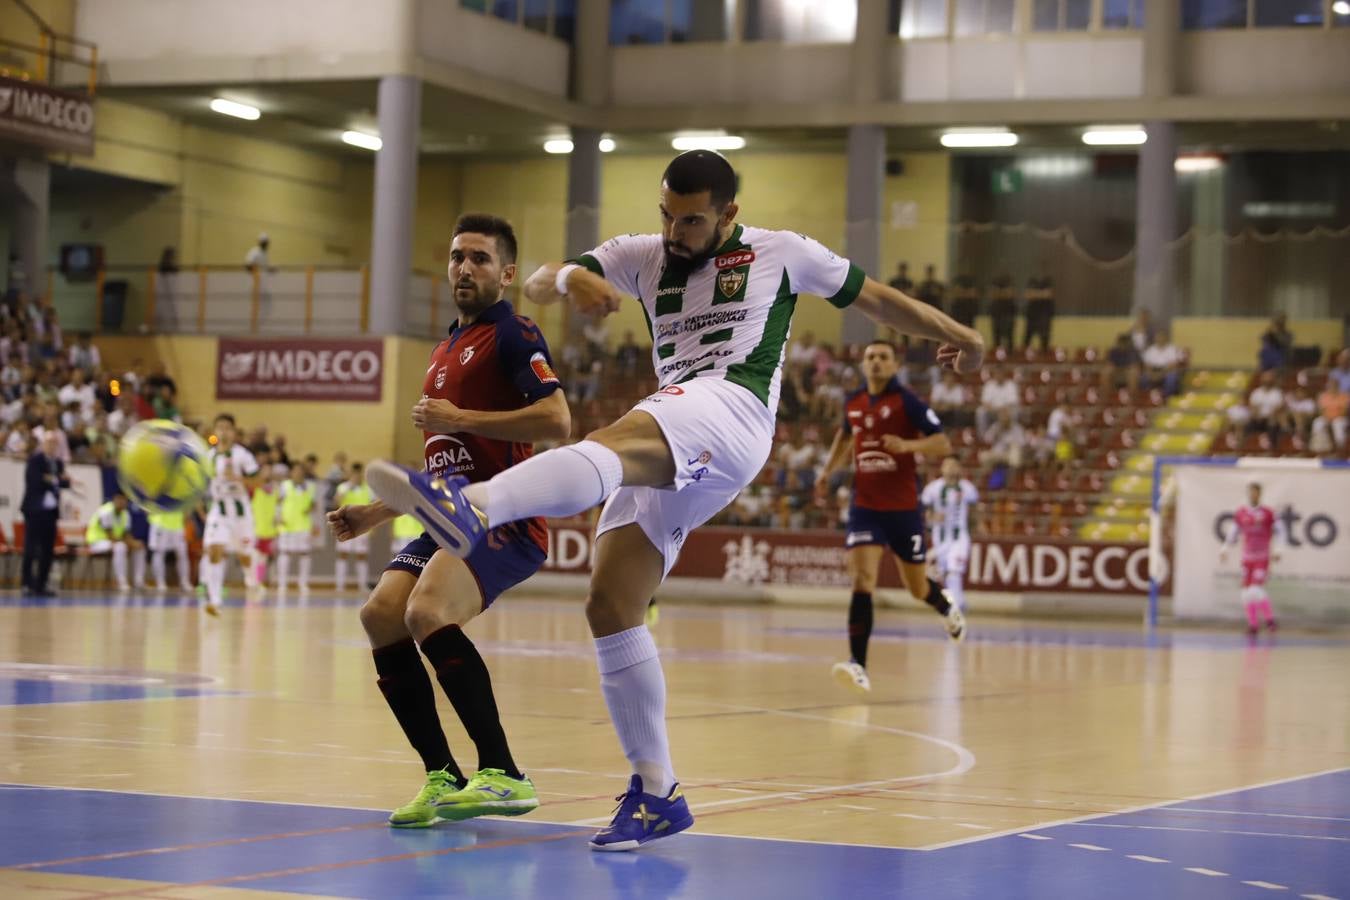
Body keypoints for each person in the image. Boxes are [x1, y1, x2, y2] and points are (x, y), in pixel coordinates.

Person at [364, 152, 984, 851]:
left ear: (727, 215)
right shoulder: (640, 254)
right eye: (666, 214)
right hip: (680, 421)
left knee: (618, 434)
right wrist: (575, 278)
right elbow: (538, 281)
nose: (674, 231)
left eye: (691, 220)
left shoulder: (781, 253)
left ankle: (475, 507)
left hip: (733, 406)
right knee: (611, 601)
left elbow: (875, 299)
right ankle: (657, 790)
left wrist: (956, 333)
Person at [330, 214, 569, 830]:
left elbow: (556, 421)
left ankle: (505, 774)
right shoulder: (442, 348)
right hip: (446, 515)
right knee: (381, 615)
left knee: (426, 612)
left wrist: (461, 416)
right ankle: (442, 776)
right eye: (458, 256)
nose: (465, 267)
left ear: (507, 272)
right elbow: (447, 466)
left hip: (501, 514)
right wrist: (376, 511)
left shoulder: (514, 333)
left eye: (481, 259)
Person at [815, 340, 965, 696]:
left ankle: (944, 605)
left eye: (883, 357)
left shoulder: (907, 402)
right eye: (870, 357)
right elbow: (844, 436)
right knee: (862, 578)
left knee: (916, 588)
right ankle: (858, 665)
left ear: (895, 364)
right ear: (863, 364)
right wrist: (827, 471)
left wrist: (909, 446)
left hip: (903, 509)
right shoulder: (852, 402)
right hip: (865, 506)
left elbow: (942, 444)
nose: (876, 362)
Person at [201, 413, 262, 615]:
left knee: (245, 556)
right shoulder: (209, 458)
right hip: (219, 511)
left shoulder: (242, 455)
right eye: (220, 427)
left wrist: (239, 479)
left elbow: (258, 481)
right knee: (214, 550)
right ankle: (215, 600)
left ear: (234, 432)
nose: (223, 432)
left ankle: (251, 581)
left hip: (241, 514)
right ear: (215, 431)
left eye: (227, 428)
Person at [1219, 482, 1281, 635]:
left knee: (1255, 589)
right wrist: (1225, 548)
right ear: (1248, 494)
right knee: (1246, 593)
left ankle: (1270, 620)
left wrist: (1279, 549)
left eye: (1256, 492)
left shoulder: (1268, 513)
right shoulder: (1241, 513)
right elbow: (1233, 532)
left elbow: (1281, 530)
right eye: (1251, 492)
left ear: (1260, 494)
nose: (1253, 495)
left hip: (1262, 557)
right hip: (1247, 558)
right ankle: (1253, 625)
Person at [921, 456, 979, 612]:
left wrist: (975, 529)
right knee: (945, 573)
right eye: (947, 465)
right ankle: (959, 602)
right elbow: (924, 513)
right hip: (939, 538)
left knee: (955, 570)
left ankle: (956, 608)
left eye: (954, 465)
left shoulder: (968, 488)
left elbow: (974, 513)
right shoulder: (932, 489)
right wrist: (933, 517)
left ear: (959, 468)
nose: (951, 469)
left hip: (959, 537)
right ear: (942, 468)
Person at [20, 430, 70, 596]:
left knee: (48, 550)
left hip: (51, 512)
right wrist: (55, 479)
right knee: (31, 548)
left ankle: (41, 584)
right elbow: (36, 480)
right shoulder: (35, 460)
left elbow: (64, 483)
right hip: (34, 511)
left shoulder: (58, 463)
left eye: (55, 443)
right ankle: (27, 583)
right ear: (43, 444)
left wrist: (58, 480)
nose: (52, 446)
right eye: (49, 443)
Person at [85, 493, 145, 592]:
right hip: (96, 542)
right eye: (119, 499)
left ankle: (139, 581)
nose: (121, 502)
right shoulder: (105, 512)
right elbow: (110, 536)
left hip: (112, 543)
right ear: (114, 500)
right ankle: (121, 582)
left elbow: (127, 535)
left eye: (124, 500)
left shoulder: (125, 514)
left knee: (140, 547)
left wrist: (134, 543)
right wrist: (129, 543)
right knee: (120, 547)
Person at [276, 462, 317, 596]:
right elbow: (278, 502)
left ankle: (303, 583)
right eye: (295, 471)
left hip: (304, 525)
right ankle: (282, 584)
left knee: (304, 554)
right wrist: (278, 516)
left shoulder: (310, 487)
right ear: (291, 473)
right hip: (287, 524)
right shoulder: (284, 486)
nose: (298, 473)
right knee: (285, 553)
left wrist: (311, 511)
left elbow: (314, 504)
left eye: (300, 471)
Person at [334, 462, 374, 592]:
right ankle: (340, 586)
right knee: (342, 554)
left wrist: (373, 526)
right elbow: (336, 502)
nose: (357, 476)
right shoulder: (343, 487)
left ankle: (362, 585)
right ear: (351, 474)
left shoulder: (368, 488)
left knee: (361, 555)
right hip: (345, 526)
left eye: (359, 473)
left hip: (363, 527)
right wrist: (349, 486)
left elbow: (373, 507)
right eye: (354, 473)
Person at [148, 507, 191, 592]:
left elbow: (187, 504)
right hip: (160, 523)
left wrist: (185, 517)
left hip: (177, 524)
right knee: (159, 553)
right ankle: (160, 582)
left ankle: (185, 582)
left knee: (182, 553)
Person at [250, 466, 280, 588]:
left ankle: (259, 581)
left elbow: (278, 507)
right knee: (254, 557)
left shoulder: (275, 489)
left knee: (263, 558)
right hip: (255, 528)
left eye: (269, 471)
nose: (267, 473)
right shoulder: (254, 489)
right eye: (264, 471)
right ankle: (252, 581)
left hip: (269, 529)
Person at [1141, 330, 1185, 398]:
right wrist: (1152, 374)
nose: (1159, 338)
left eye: (1161, 337)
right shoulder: (1150, 350)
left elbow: (1172, 365)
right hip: (1153, 370)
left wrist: (1160, 374)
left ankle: (1165, 398)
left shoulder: (1172, 349)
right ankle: (1148, 398)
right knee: (1144, 378)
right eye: (1158, 337)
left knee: (1172, 378)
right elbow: (1147, 366)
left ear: (1166, 338)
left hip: (1167, 370)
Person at [1022, 268, 1055, 351]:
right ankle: (1025, 357)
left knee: (1044, 339)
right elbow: (1028, 295)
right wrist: (1042, 294)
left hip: (1044, 314)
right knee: (1027, 339)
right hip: (1031, 314)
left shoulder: (1048, 281)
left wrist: (1035, 294)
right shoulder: (1031, 281)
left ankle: (1044, 358)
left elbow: (1049, 294)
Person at [988, 271, 1017, 350]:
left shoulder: (1010, 284)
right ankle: (998, 355)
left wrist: (999, 293)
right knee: (996, 337)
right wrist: (1004, 293)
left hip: (1009, 314)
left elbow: (1010, 294)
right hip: (996, 313)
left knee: (1009, 337)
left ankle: (1010, 356)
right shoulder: (995, 283)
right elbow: (993, 294)